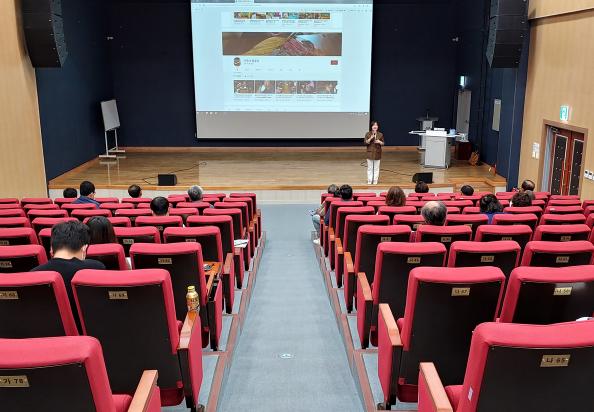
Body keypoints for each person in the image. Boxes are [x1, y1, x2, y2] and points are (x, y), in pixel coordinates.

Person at [31, 221, 105, 332]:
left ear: (51, 249)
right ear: (84, 248)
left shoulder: (33, 274)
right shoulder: (96, 268)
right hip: (90, 333)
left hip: (45, 336)